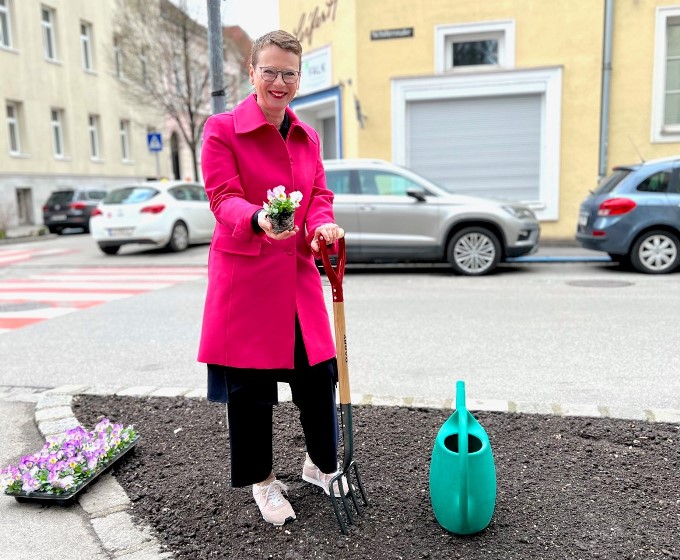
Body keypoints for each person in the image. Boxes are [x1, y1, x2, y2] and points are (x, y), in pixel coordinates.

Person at [198, 30, 346, 527]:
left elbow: (318, 194)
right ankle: (263, 482)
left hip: (297, 278)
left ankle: (319, 466)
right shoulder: (222, 129)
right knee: (252, 391)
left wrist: (321, 222)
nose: (279, 82)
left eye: (289, 73)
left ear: (299, 78)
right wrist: (259, 218)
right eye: (270, 71)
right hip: (246, 278)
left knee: (319, 375)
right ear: (251, 71)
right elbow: (222, 197)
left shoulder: (307, 135)